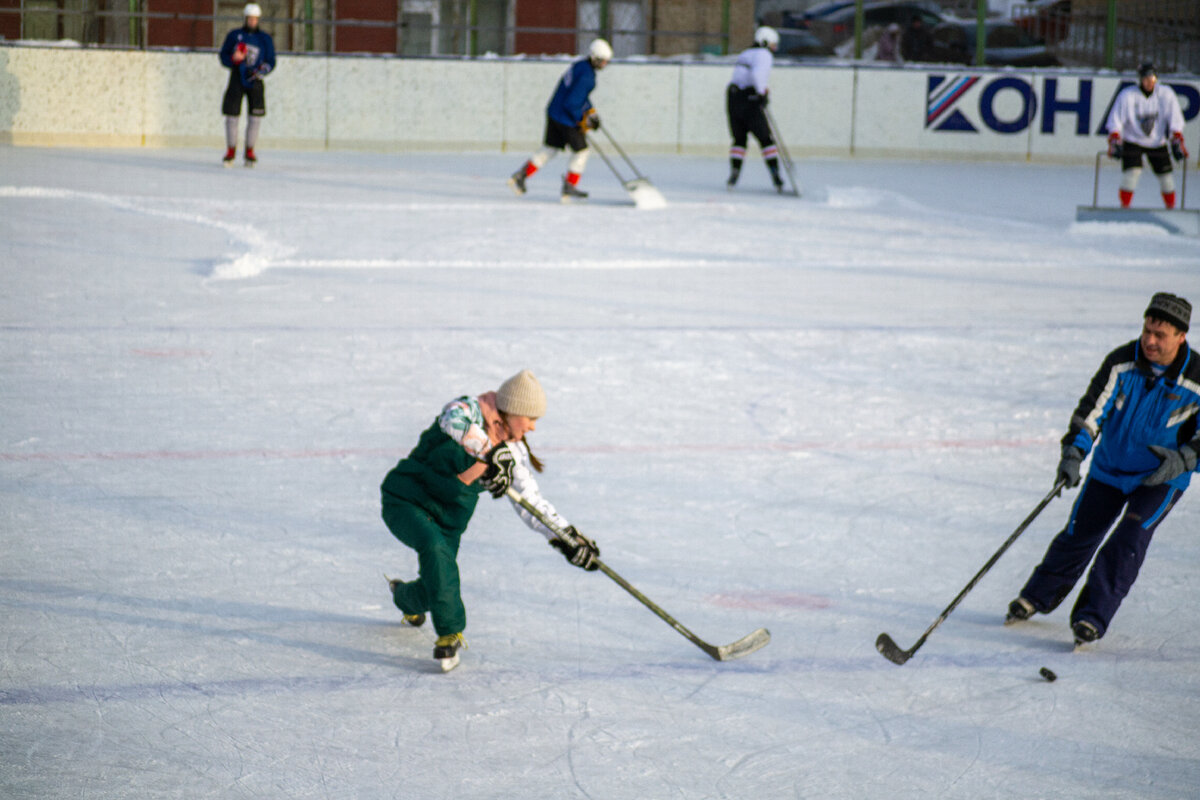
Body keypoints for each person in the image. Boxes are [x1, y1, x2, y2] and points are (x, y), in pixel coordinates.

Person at [1006, 293, 1198, 647]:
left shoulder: (1198, 377)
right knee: (1079, 534)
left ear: (1181, 336)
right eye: (1147, 331)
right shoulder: (1122, 362)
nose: (1150, 341)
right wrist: (1074, 452)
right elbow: (1092, 410)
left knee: (1128, 540)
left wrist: (1185, 459)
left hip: (1161, 479)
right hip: (1110, 468)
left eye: (1160, 335)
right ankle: (1037, 596)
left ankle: (1091, 618)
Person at [380, 369, 601, 670]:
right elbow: (451, 422)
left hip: (449, 520)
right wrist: (488, 455)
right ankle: (450, 635)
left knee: (437, 583)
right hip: (406, 500)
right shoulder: (467, 410)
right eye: (530, 418)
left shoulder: (511, 452)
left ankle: (404, 598)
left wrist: (565, 538)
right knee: (434, 550)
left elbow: (531, 503)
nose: (533, 427)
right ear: (512, 411)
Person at [508, 39, 612, 203]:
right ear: (595, 58)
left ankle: (520, 176)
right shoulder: (588, 77)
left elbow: (578, 95)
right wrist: (582, 121)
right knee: (582, 152)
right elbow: (572, 102)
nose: (605, 64)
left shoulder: (580, 65)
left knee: (550, 149)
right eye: (603, 61)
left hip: (554, 112)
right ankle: (569, 186)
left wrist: (590, 112)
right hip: (566, 117)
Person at [1105, 63, 1188, 209]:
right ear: (1140, 79)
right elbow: (1115, 120)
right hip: (1133, 140)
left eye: (1152, 78)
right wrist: (1115, 139)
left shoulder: (1166, 94)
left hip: (1157, 142)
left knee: (1166, 178)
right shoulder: (1128, 95)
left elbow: (1175, 119)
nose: (1149, 82)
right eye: (1146, 78)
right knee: (1132, 174)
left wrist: (1177, 138)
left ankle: (1171, 209)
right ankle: (1124, 207)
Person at [725, 26, 784, 193]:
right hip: (749, 99)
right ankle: (776, 175)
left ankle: (734, 174)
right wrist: (761, 94)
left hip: (733, 98)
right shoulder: (763, 55)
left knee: (739, 139)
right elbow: (758, 76)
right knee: (766, 139)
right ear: (765, 42)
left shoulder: (746, 53)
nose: (773, 48)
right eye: (772, 44)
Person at [218, 3, 276, 167]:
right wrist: (232, 60)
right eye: (249, 18)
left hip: (255, 81)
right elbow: (223, 55)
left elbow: (271, 61)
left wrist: (261, 71)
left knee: (255, 117)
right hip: (237, 78)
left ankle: (250, 150)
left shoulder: (265, 39)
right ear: (245, 18)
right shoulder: (234, 35)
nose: (252, 21)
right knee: (232, 115)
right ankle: (231, 150)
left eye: (255, 19)